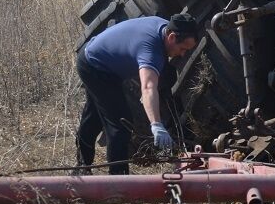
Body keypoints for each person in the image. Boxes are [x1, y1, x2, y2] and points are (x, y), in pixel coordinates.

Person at [74, 13, 199, 175]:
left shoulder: (164, 28)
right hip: (94, 65)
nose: (182, 54)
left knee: (94, 117)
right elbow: (148, 88)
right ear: (172, 37)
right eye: (182, 49)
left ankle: (82, 167)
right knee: (120, 124)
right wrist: (156, 125)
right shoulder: (151, 51)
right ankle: (118, 181)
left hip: (103, 61)